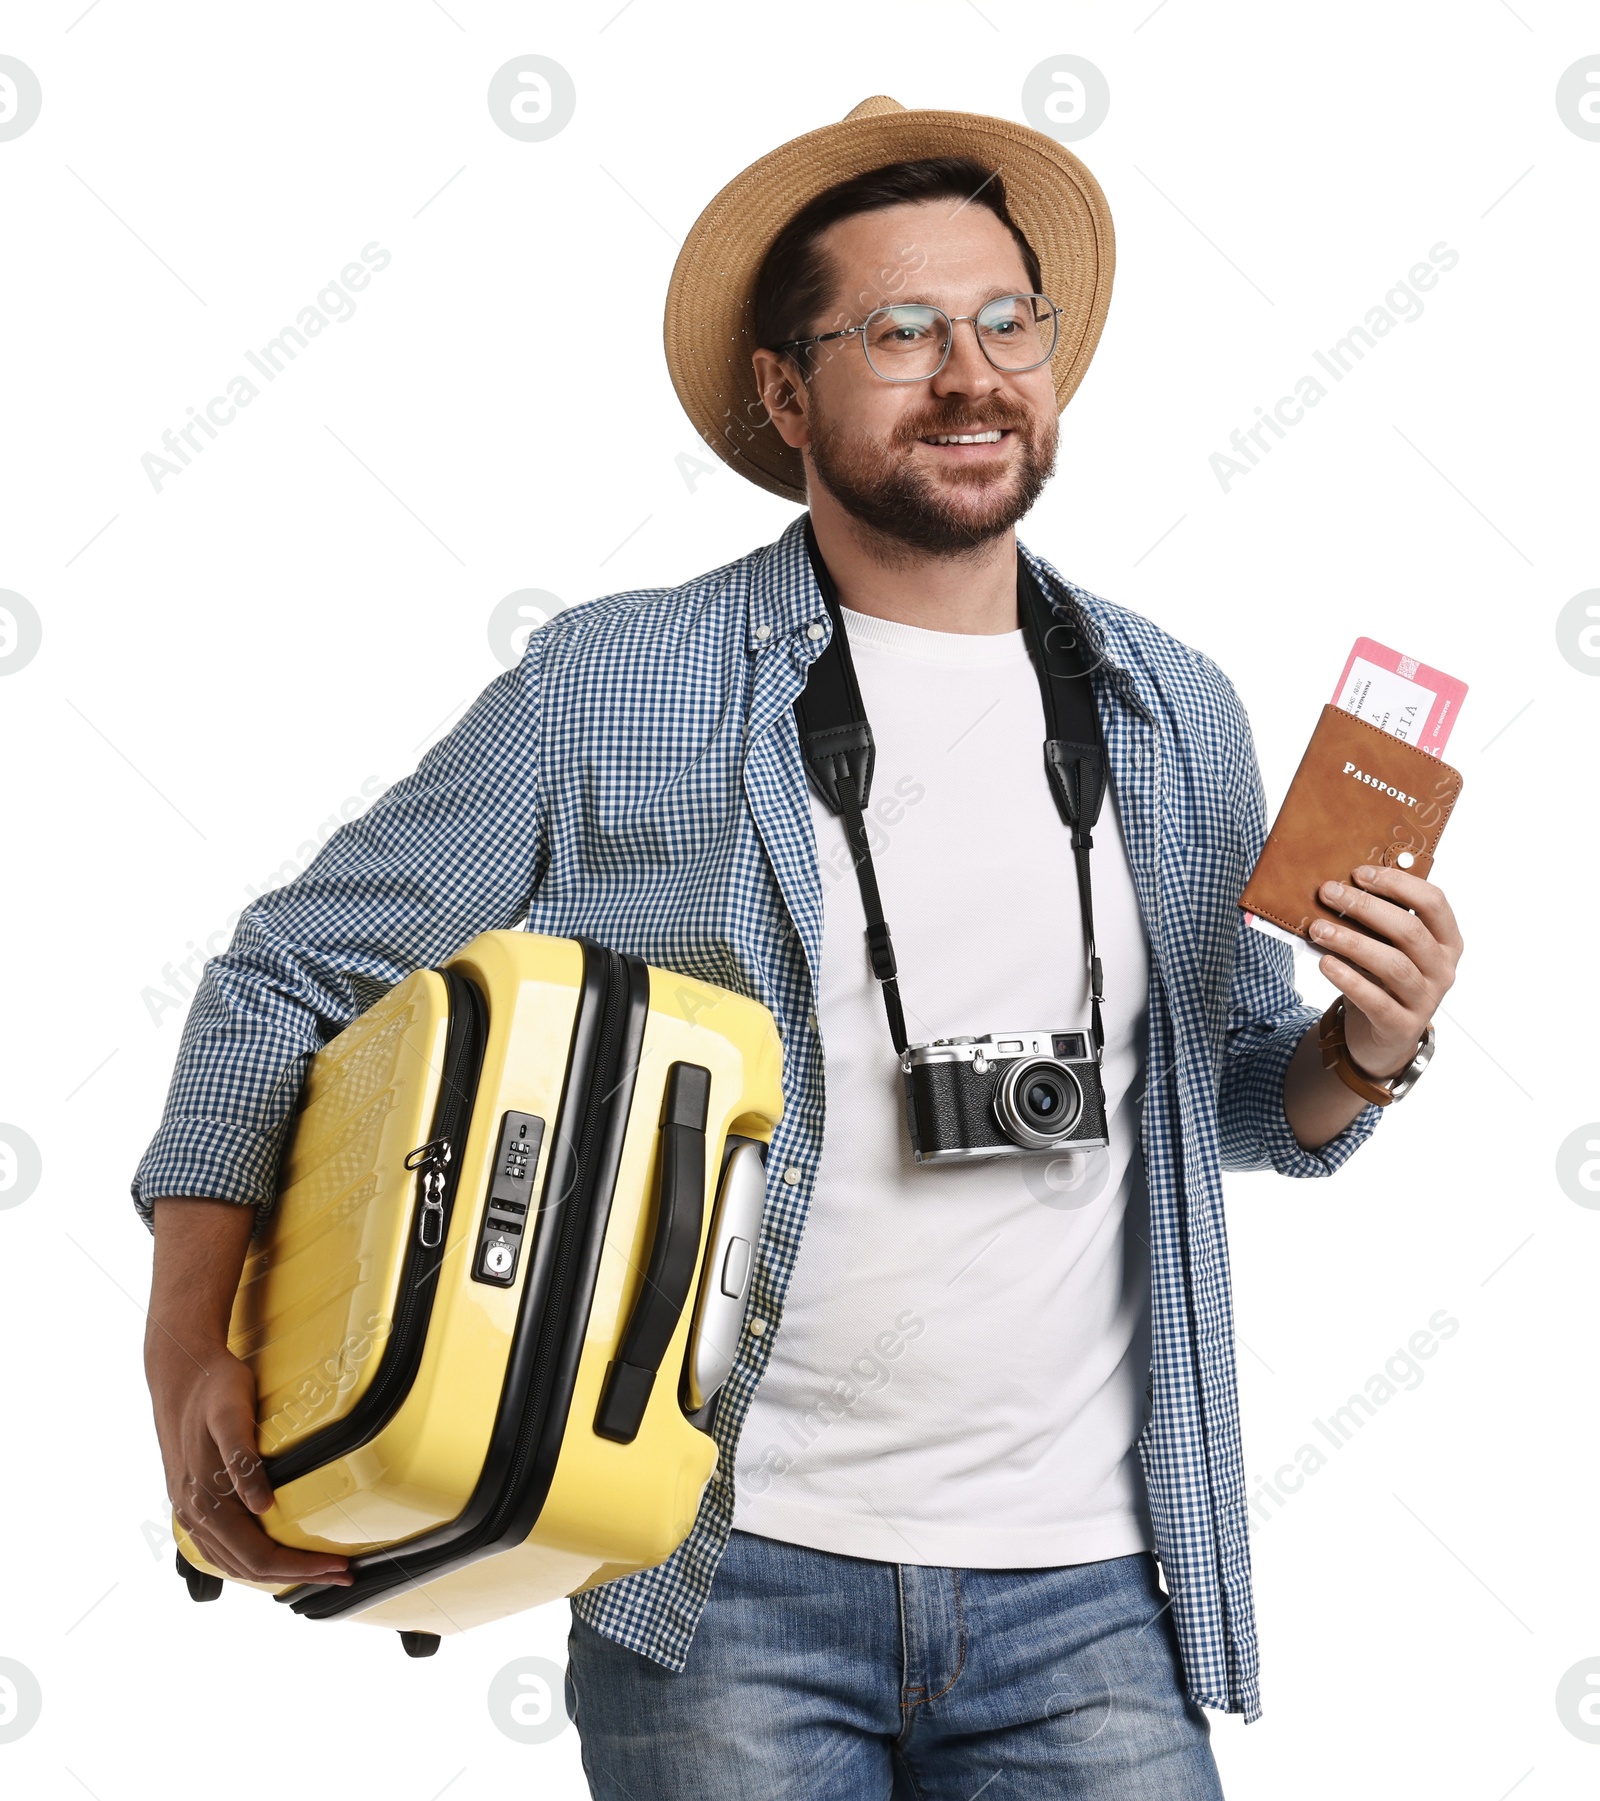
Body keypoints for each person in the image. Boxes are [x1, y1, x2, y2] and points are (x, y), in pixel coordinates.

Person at [136, 97, 1464, 1799]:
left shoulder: (1174, 706)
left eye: (1007, 322)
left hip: (1094, 1594)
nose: (971, 373)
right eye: (899, 332)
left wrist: (1364, 1049)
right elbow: (287, 977)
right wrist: (188, 1348)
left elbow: (1228, 1099)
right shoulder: (613, 685)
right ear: (785, 391)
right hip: (715, 1578)